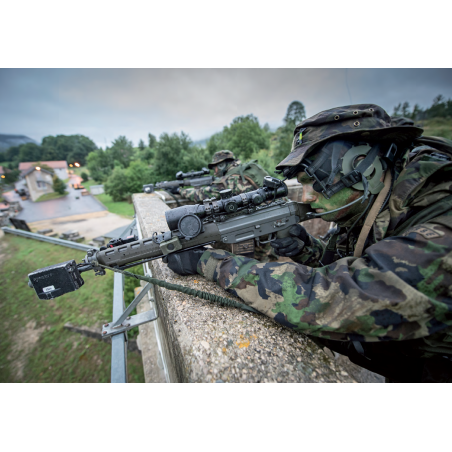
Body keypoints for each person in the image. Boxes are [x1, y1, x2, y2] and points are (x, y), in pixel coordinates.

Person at [165, 104, 452, 382]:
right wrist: (307, 249)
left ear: (360, 165)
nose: (308, 195)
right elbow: (351, 263)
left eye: (313, 180)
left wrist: (212, 263)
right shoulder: (376, 202)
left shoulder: (441, 209)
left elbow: (341, 296)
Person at [179, 150, 278, 262]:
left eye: (215, 167)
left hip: (259, 223)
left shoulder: (229, 179)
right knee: (264, 254)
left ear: (222, 165)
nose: (214, 171)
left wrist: (180, 190)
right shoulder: (245, 171)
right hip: (271, 215)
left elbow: (200, 195)